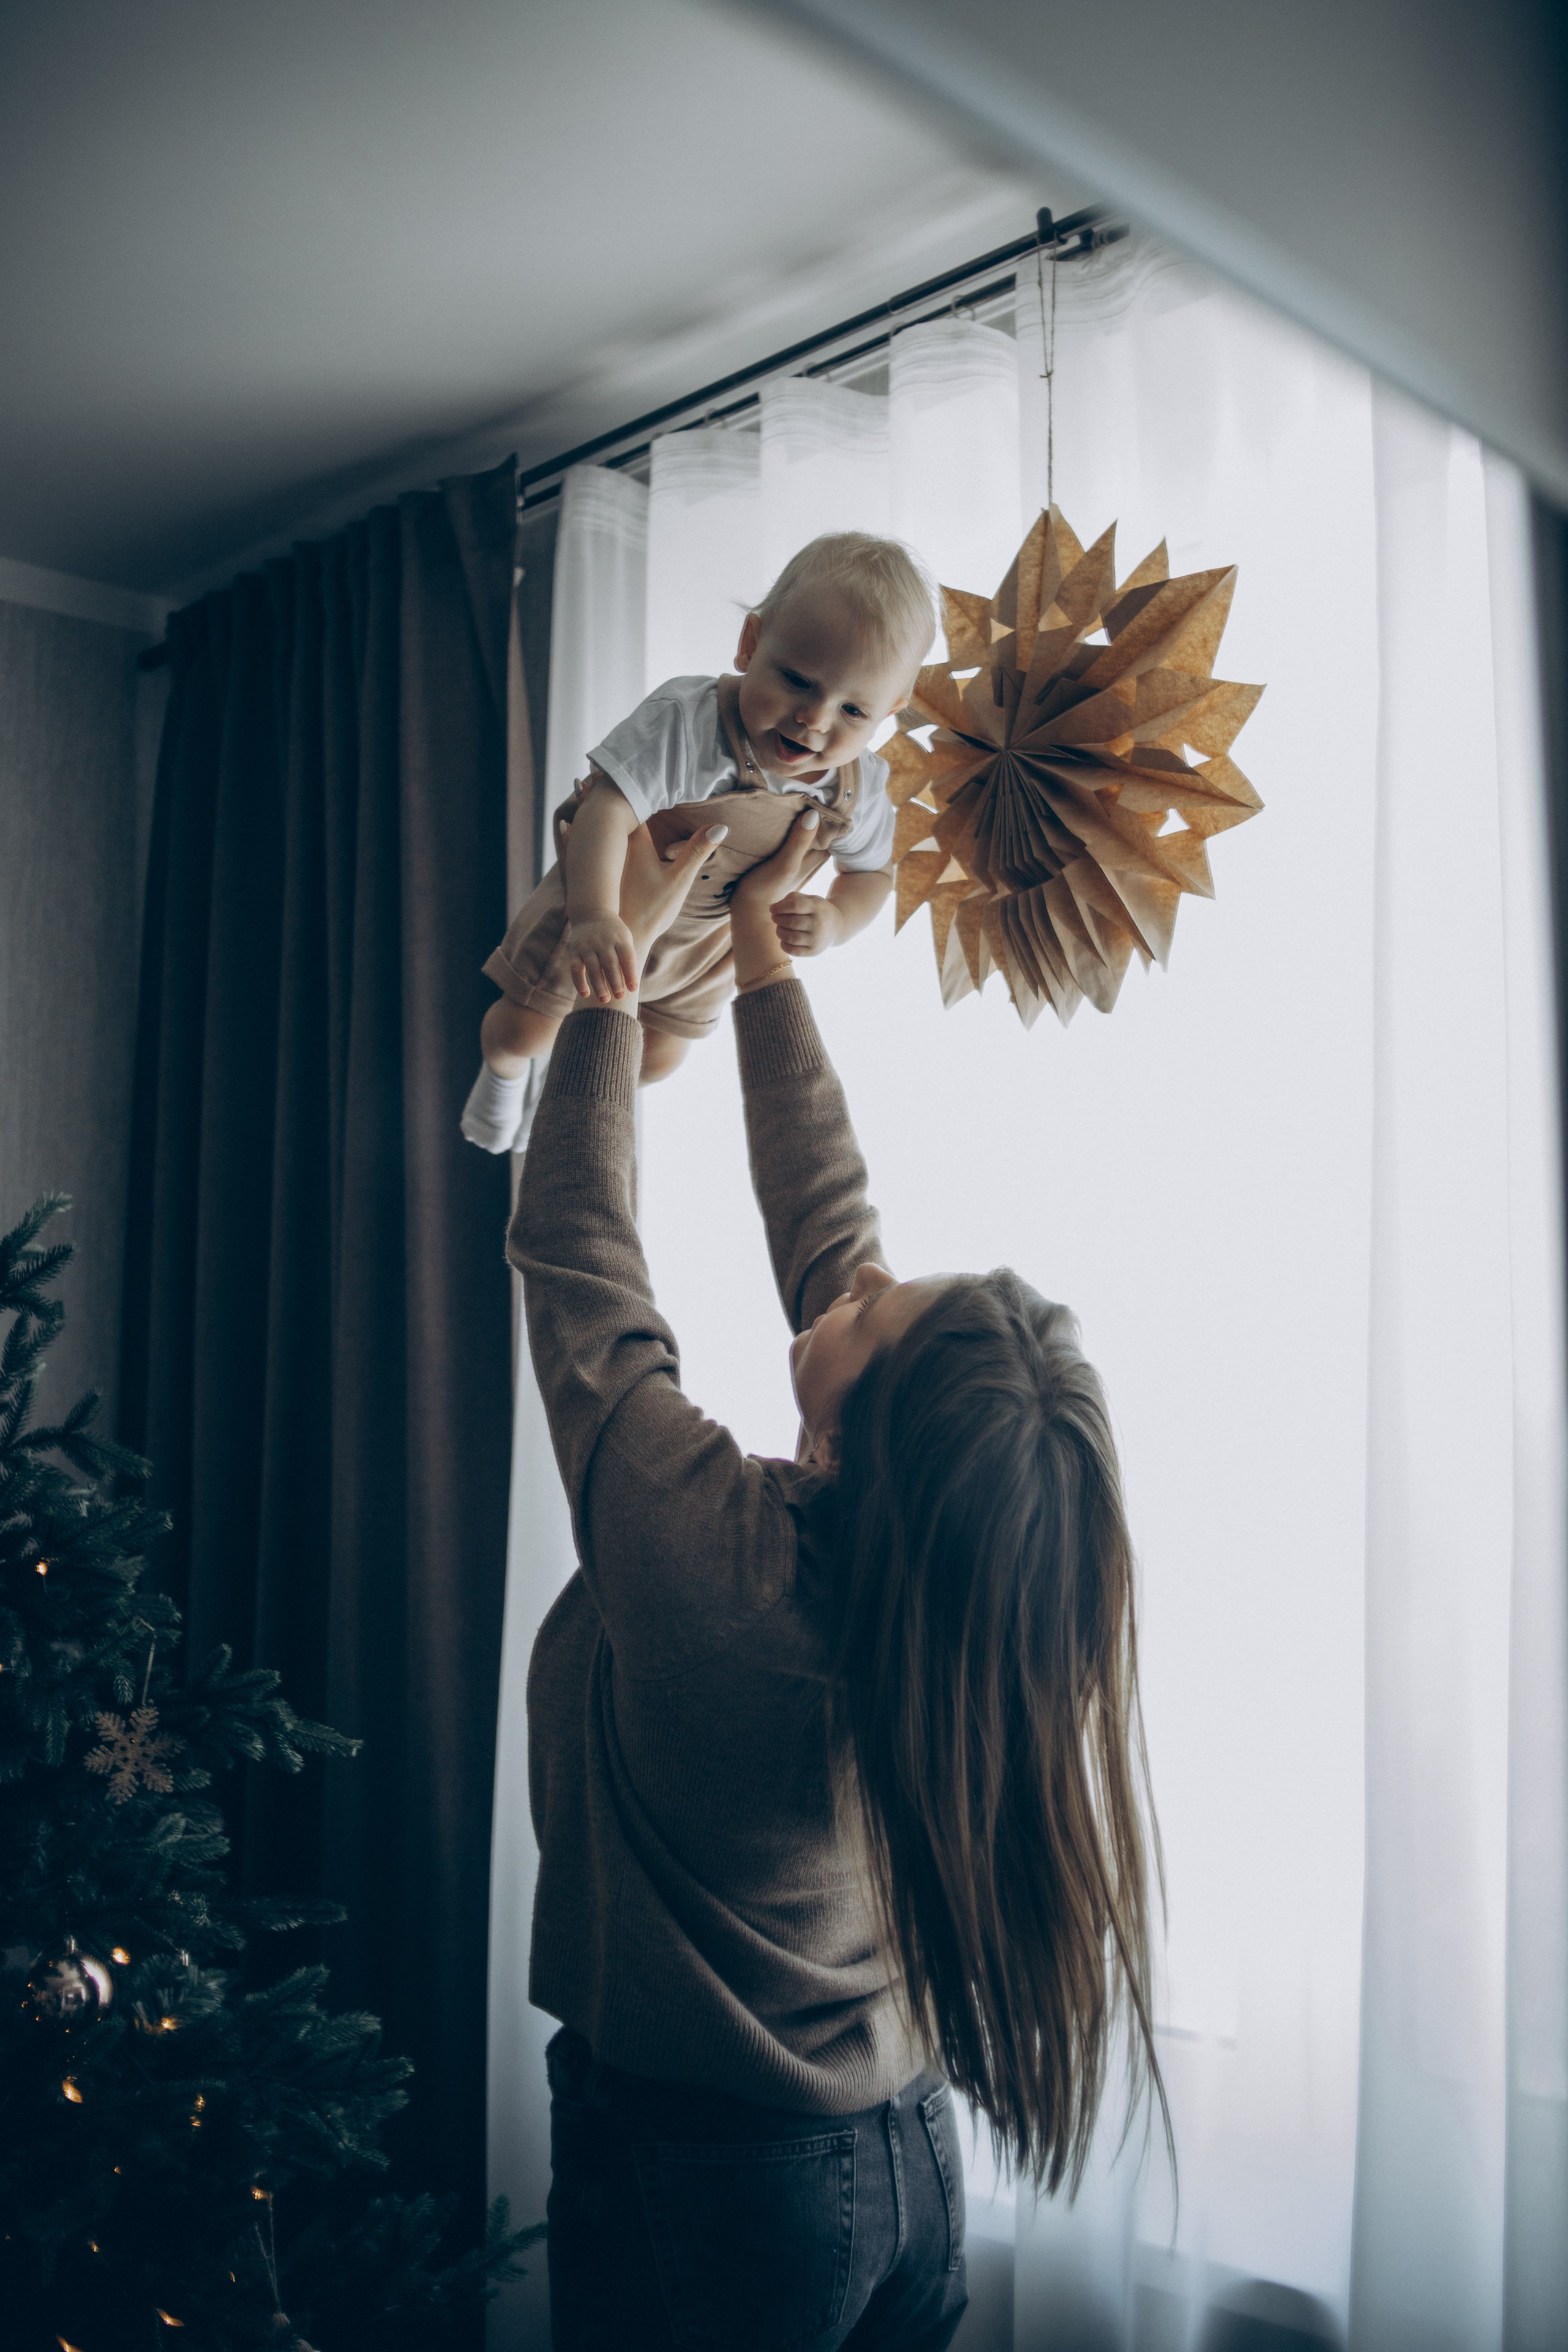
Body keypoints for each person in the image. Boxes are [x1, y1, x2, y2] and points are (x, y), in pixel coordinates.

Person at [505, 811, 1171, 2349]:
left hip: (714, 2189)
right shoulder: (926, 1589)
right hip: (897, 2159)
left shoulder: (719, 1576)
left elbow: (576, 1252)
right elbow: (831, 1228)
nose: (859, 1274)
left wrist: (610, 977)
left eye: (873, 1312)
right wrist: (752, 942)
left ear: (851, 1437)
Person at [459, 530, 933, 1153]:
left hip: (706, 952)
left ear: (890, 711)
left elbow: (873, 876)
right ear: (750, 644)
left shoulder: (860, 790)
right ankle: (501, 1078)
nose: (814, 720)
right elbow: (606, 810)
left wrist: (838, 919)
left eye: (853, 712)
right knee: (524, 1028)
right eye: (797, 680)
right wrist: (594, 916)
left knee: (655, 1061)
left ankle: (552, 1093)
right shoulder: (691, 723)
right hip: (610, 914)